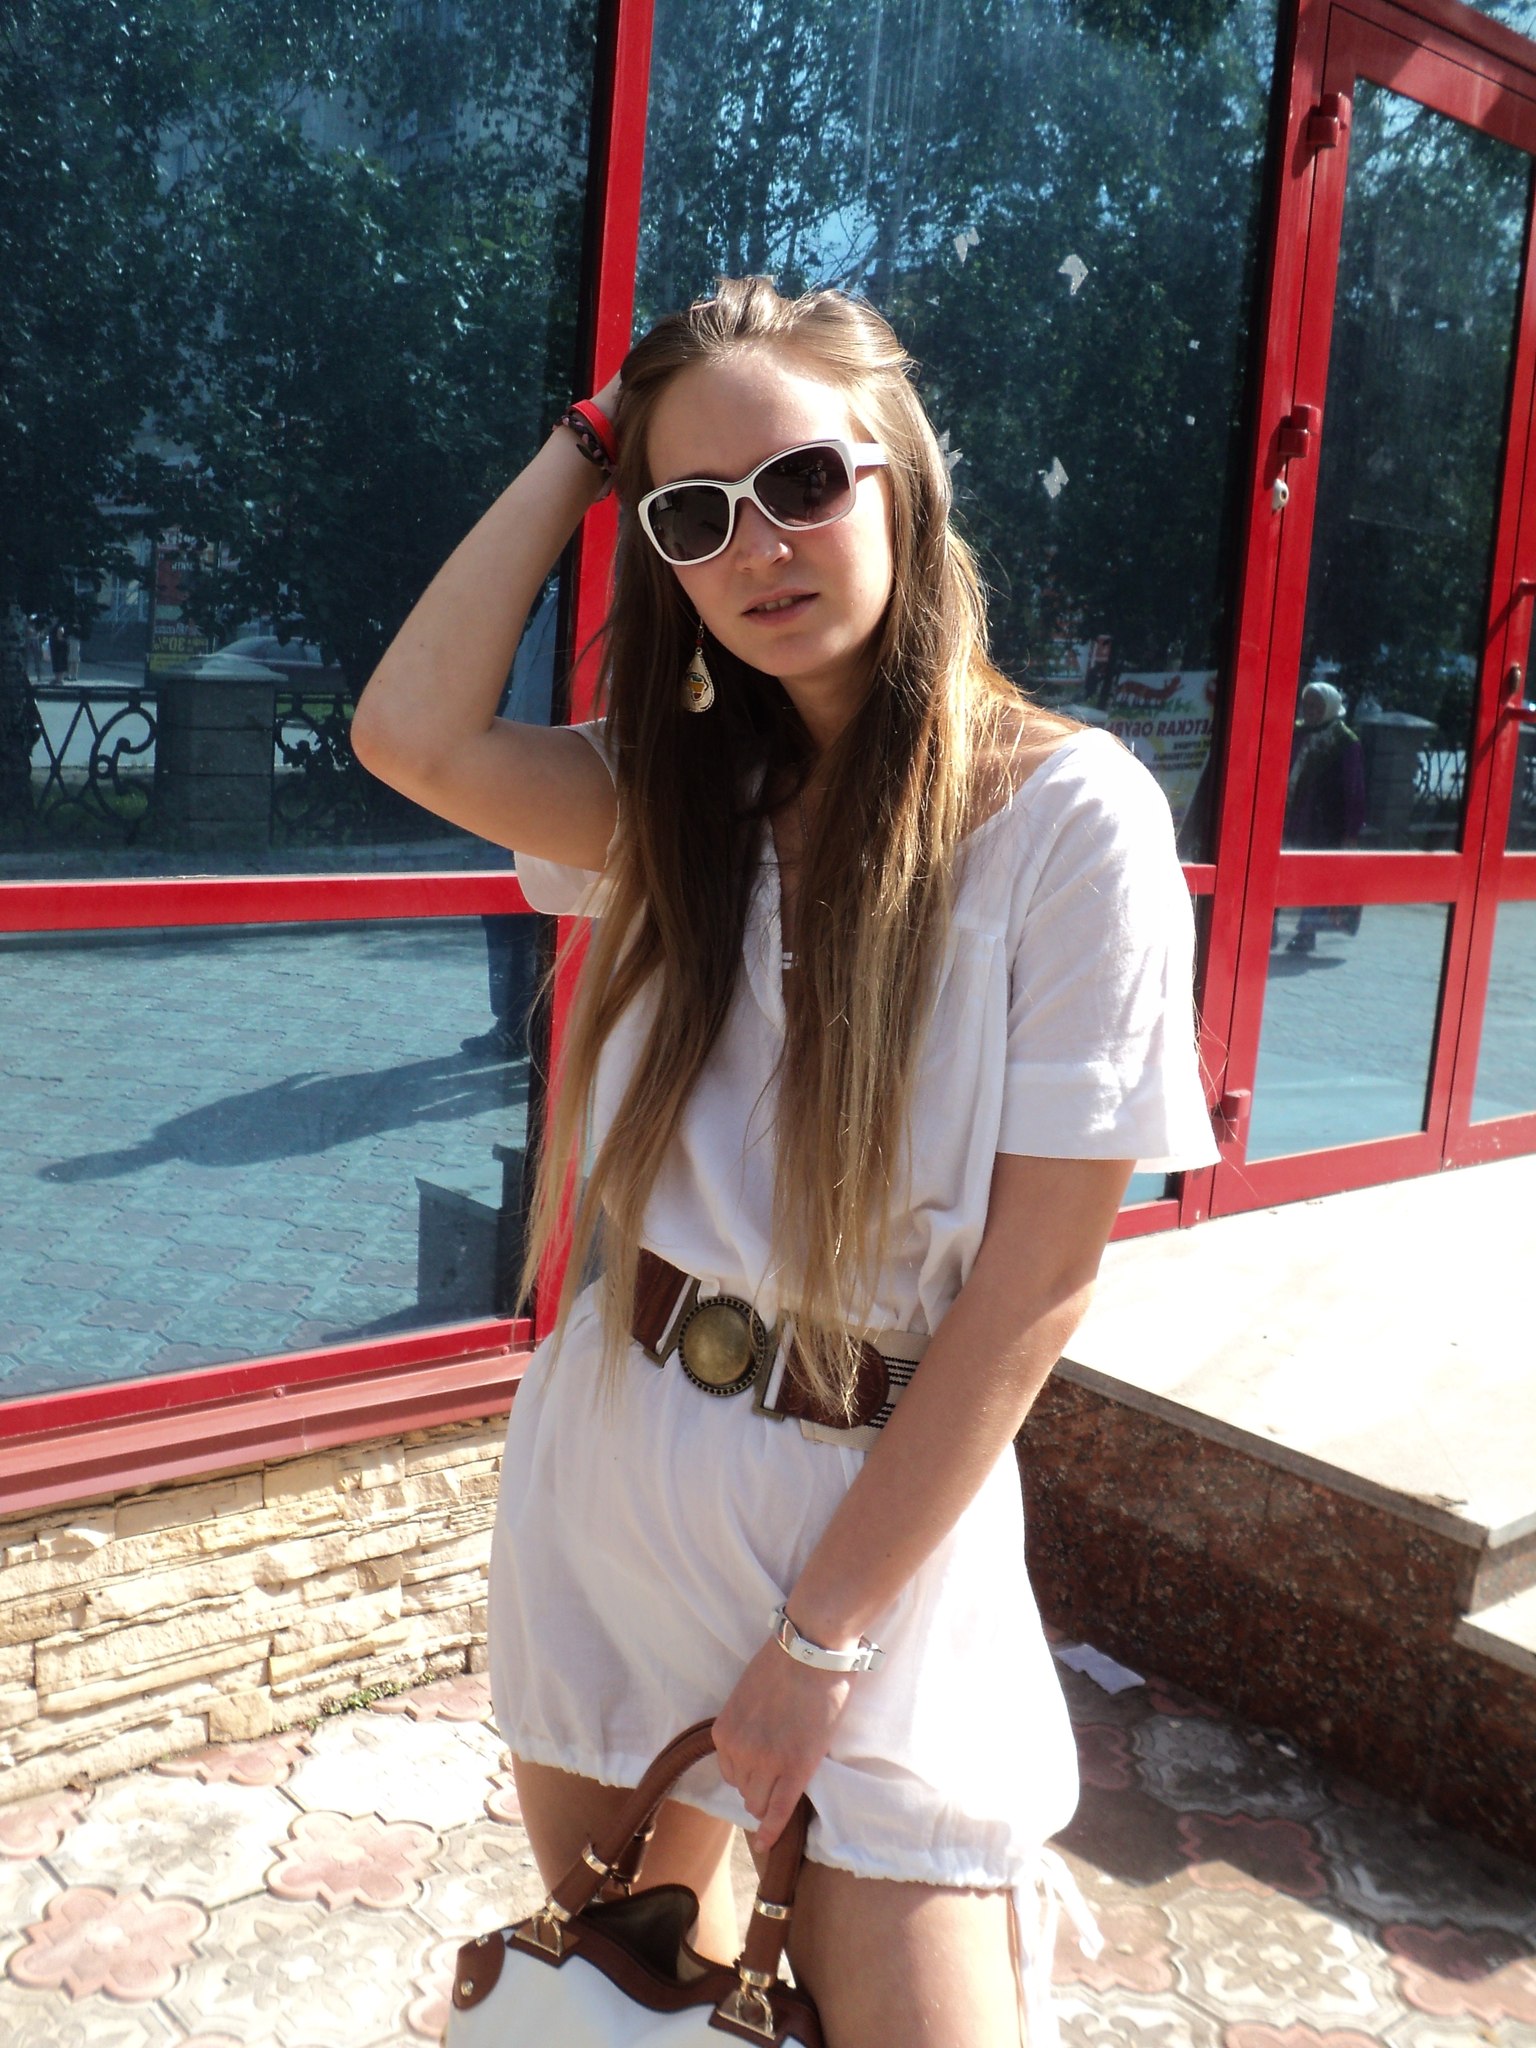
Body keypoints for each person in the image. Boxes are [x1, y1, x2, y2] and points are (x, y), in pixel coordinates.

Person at [351, 277, 1216, 2048]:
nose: (758, 545)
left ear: (903, 477)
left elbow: (1037, 1284)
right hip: (619, 1481)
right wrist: (588, 446)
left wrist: (818, 1642)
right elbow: (408, 736)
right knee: (638, 2009)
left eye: (805, 482)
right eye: (695, 515)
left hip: (873, 1538)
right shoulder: (673, 800)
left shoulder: (1067, 818)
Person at [1280, 680, 1366, 954]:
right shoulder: (1295, 732)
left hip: (1323, 822)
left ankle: (1307, 932)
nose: (1311, 711)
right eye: (1307, 705)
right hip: (1289, 816)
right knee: (1278, 870)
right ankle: (1267, 926)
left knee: (1313, 875)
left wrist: (1351, 831)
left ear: (1330, 707)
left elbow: (1354, 789)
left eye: (1317, 706)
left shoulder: (1344, 741)